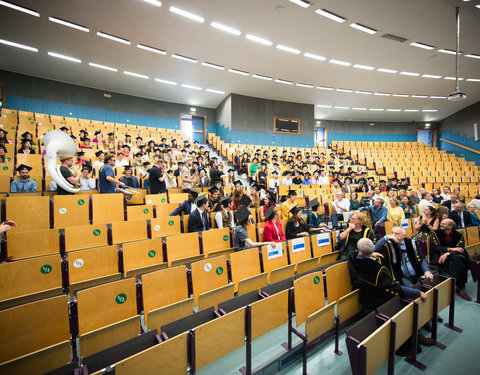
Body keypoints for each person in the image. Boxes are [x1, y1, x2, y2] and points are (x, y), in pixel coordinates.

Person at [349, 238, 426, 315]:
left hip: (364, 299)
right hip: (378, 304)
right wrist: (417, 293)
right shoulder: (378, 271)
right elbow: (396, 287)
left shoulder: (352, 259)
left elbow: (353, 253)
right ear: (373, 250)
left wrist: (370, 254)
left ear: (359, 249)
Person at [430, 219, 471, 301]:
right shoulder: (435, 233)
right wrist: (452, 249)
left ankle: (452, 281)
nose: (441, 224)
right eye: (441, 223)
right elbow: (434, 248)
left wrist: (448, 253)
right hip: (440, 257)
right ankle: (459, 287)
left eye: (443, 224)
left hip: (450, 256)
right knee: (460, 262)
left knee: (457, 259)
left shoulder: (458, 235)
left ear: (450, 226)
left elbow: (461, 249)